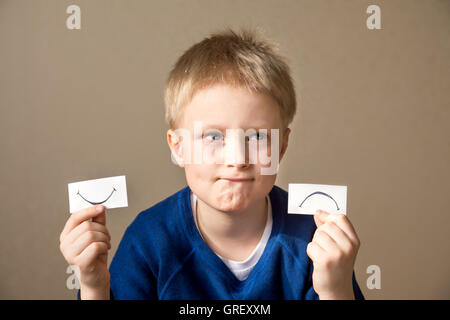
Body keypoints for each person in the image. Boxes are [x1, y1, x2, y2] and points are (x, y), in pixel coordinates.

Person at [59, 28, 364, 300]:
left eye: (257, 136)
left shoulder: (313, 240)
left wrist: (335, 289)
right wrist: (93, 284)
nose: (237, 159)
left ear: (282, 146)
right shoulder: (149, 240)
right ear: (178, 148)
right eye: (213, 136)